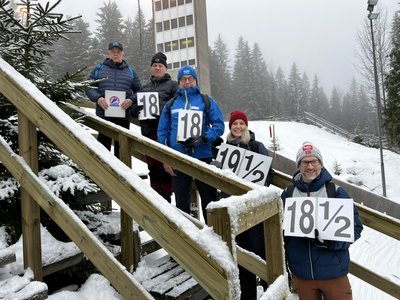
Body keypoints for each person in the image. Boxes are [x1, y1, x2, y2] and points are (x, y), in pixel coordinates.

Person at [281, 141, 363, 300]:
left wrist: (332, 243)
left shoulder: (335, 191)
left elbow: (355, 228)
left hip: (333, 272)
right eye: (305, 162)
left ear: (321, 164)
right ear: (298, 165)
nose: (310, 166)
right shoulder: (289, 193)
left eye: (314, 161)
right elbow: (280, 229)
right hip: (301, 273)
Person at [157, 65, 224, 222]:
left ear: (195, 80)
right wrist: (166, 158)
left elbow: (219, 125)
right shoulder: (171, 104)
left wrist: (204, 138)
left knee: (210, 202)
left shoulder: (206, 101)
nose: (187, 82)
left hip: (203, 157)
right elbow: (162, 132)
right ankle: (187, 241)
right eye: (183, 79)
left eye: (190, 79)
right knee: (181, 204)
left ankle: (214, 240)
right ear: (179, 82)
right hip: (178, 160)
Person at [225, 110, 274, 300]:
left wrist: (255, 191)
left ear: (246, 126)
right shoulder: (226, 147)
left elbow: (267, 174)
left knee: (259, 251)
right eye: (234, 124)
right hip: (234, 208)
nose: (238, 127)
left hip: (254, 207)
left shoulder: (257, 146)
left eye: (241, 123)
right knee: (241, 255)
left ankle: (270, 291)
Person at [132, 52, 177, 202]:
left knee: (166, 168)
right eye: (155, 65)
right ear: (152, 68)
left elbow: (176, 106)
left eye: (160, 66)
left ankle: (166, 202)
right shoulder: (144, 87)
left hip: (165, 133)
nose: (157, 68)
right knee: (153, 168)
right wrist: (137, 109)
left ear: (165, 68)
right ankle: (156, 201)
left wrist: (158, 109)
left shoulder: (173, 85)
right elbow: (133, 110)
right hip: (148, 132)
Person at [85, 41, 141, 158]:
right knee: (102, 151)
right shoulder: (99, 69)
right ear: (108, 53)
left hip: (123, 118)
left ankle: (121, 176)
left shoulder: (130, 71)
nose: (116, 54)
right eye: (113, 52)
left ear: (122, 54)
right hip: (104, 116)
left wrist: (131, 99)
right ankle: (102, 175)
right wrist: (98, 98)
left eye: (118, 52)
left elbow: (139, 91)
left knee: (122, 152)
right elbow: (89, 86)